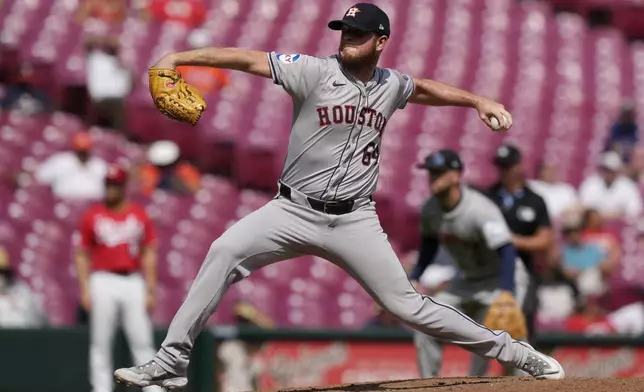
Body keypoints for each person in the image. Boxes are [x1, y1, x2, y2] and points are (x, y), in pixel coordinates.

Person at [114, 4, 564, 388]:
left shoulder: (391, 84)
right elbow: (245, 59)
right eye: (344, 30)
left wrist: (478, 101)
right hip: (291, 210)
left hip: (354, 220)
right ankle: (172, 359)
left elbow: (424, 88)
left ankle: (516, 353)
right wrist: (179, 56)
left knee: (406, 306)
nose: (348, 37)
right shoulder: (312, 71)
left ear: (381, 40)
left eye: (359, 33)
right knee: (224, 249)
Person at [410, 149, 529, 378]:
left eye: (438, 172)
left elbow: (506, 250)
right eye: (430, 173)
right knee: (426, 324)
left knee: (504, 332)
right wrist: (416, 275)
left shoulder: (480, 209)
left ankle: (527, 383)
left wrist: (507, 292)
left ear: (456, 175)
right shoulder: (430, 209)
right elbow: (429, 245)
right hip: (467, 281)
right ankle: (427, 384)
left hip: (501, 278)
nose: (432, 177)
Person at [74, 164, 162, 392]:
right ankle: (101, 388)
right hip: (102, 279)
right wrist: (84, 289)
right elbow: (82, 254)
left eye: (115, 184)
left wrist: (150, 289)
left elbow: (149, 253)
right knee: (101, 342)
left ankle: (152, 388)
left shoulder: (138, 214)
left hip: (132, 280)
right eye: (108, 184)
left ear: (123, 186)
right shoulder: (92, 215)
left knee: (141, 339)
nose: (110, 189)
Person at [486, 144, 554, 343]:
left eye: (508, 166)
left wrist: (512, 241)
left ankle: (521, 371)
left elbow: (545, 240)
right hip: (490, 268)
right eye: (501, 166)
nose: (504, 171)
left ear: (518, 166)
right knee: (487, 325)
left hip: (523, 267)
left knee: (524, 320)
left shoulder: (535, 200)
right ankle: (483, 373)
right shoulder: (488, 197)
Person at [34, 132, 108, 200]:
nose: (83, 154)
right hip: (65, 205)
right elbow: (40, 175)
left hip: (92, 205)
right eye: (80, 150)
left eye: (85, 150)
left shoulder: (99, 165)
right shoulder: (61, 161)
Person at [578, 150, 643, 221]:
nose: (608, 173)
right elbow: (584, 206)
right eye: (605, 169)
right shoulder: (591, 183)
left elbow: (634, 209)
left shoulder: (627, 185)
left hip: (619, 224)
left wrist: (617, 215)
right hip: (594, 223)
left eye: (611, 170)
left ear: (617, 170)